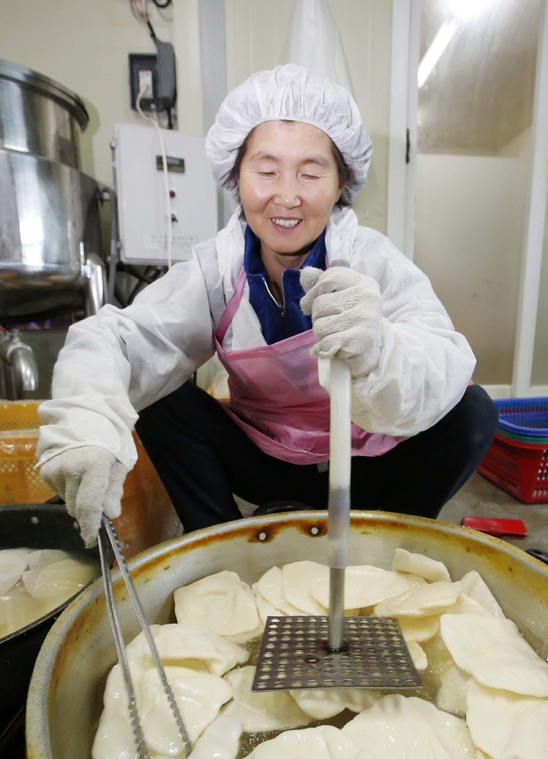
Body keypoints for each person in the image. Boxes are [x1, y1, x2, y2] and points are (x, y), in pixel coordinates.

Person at [37, 64, 497, 548]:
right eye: (267, 170)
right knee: (163, 399)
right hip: (266, 462)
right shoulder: (216, 267)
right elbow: (128, 341)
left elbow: (443, 355)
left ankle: (390, 541)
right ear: (236, 176)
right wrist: (86, 421)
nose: (288, 196)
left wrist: (381, 350)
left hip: (366, 463)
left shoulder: (371, 258)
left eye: (312, 172)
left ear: (341, 182)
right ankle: (218, 555)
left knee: (472, 411)